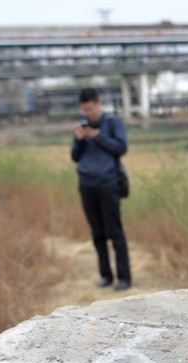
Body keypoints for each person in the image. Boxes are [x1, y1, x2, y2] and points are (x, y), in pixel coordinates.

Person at [71, 88, 132, 291]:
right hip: (87, 185)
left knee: (115, 231)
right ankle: (105, 274)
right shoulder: (81, 126)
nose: (88, 114)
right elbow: (75, 157)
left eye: (91, 109)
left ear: (99, 104)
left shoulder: (113, 123)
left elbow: (121, 148)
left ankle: (124, 277)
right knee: (97, 233)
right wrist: (79, 140)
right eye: (84, 110)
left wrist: (98, 136)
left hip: (109, 184)